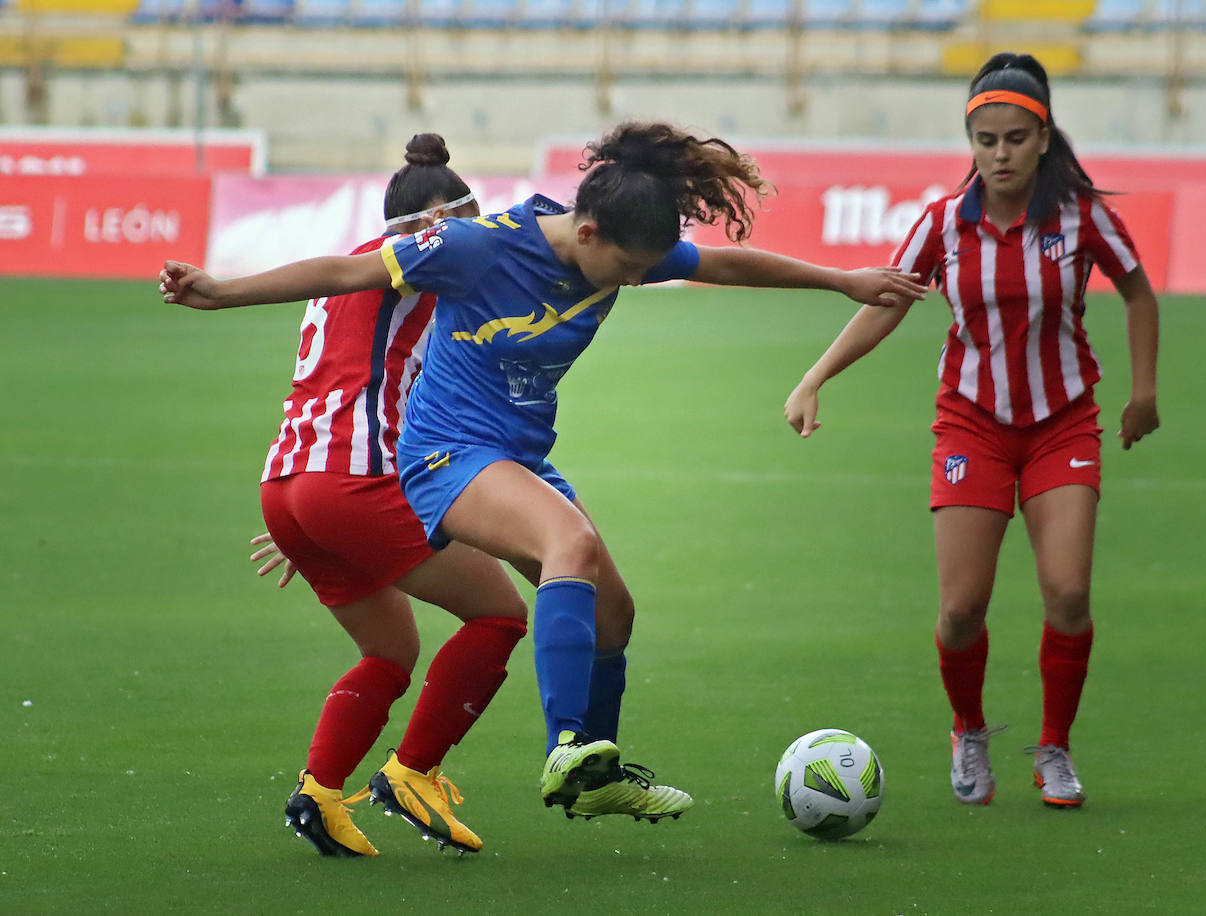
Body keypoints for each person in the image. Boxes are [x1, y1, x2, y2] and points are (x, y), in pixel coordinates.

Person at [161, 120, 928, 822]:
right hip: (444, 452)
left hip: (517, 455)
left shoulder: (619, 245)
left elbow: (724, 262)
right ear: (587, 230)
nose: (629, 281)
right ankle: (566, 746)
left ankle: (599, 778)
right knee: (572, 548)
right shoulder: (477, 247)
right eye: (625, 268)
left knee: (613, 615)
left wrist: (843, 280)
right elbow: (344, 270)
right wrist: (220, 292)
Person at [784, 53, 1160, 809]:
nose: (999, 154)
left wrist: (1143, 392)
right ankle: (968, 729)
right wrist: (816, 375)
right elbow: (888, 302)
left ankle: (1054, 749)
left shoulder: (1083, 216)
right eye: (985, 139)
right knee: (960, 611)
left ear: (1044, 137)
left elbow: (1138, 292)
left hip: (1063, 422)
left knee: (1069, 593)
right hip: (971, 425)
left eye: (1015, 138)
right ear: (971, 140)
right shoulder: (942, 223)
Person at [179, 133, 532, 858]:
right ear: (418, 226)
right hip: (351, 480)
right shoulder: (408, 264)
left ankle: (317, 793)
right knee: (499, 614)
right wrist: (221, 292)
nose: (456, 236)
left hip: (289, 486)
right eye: (447, 222)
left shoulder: (373, 268)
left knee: (390, 649)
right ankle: (413, 773)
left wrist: (311, 510)